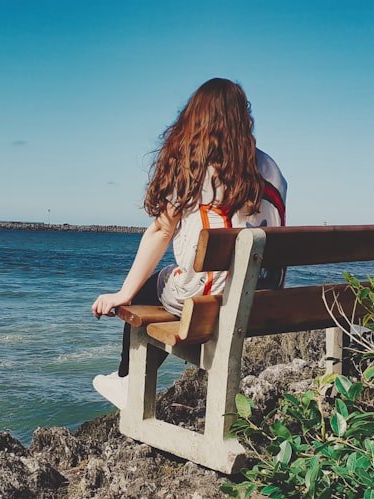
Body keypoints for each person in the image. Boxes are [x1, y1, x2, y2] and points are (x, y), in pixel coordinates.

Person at [90, 78, 287, 409]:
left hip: (212, 301)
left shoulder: (198, 167)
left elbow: (160, 232)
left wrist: (122, 294)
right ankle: (128, 380)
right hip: (263, 300)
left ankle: (128, 382)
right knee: (170, 281)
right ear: (243, 118)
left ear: (197, 120)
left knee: (151, 287)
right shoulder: (272, 168)